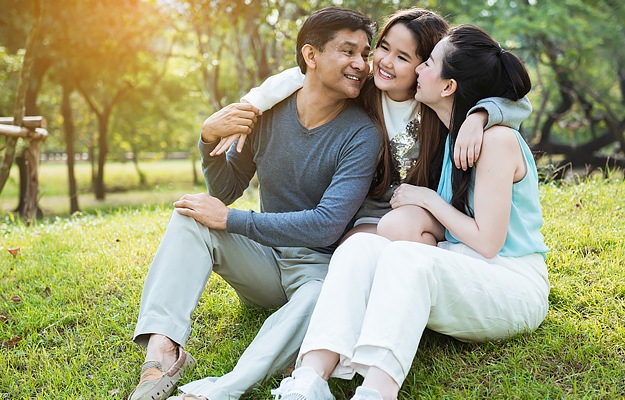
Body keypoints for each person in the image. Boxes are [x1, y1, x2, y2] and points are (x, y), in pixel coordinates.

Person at [270, 24, 550, 400]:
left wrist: (426, 198)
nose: (417, 69)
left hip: (512, 283)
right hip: (463, 264)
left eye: (428, 63)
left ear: (449, 86)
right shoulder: (456, 136)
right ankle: (310, 378)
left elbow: (488, 242)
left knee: (406, 257)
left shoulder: (496, 140)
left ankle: (375, 392)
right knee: (357, 249)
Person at [127, 7, 382, 400]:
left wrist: (231, 221)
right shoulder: (265, 115)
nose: (361, 65)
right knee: (190, 215)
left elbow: (327, 224)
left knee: (318, 297)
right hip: (264, 262)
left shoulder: (362, 135)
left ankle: (222, 389)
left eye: (364, 54)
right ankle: (163, 351)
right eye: (348, 52)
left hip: (317, 271)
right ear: (310, 56)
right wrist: (208, 139)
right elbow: (225, 189)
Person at [227, 8, 533, 244]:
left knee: (405, 241)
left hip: (422, 216)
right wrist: (250, 105)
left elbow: (517, 101)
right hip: (367, 220)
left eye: (402, 57)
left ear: (427, 66)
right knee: (350, 254)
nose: (385, 61)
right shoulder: (361, 91)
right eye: (383, 47)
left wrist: (479, 116)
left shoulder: (435, 106)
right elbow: (299, 76)